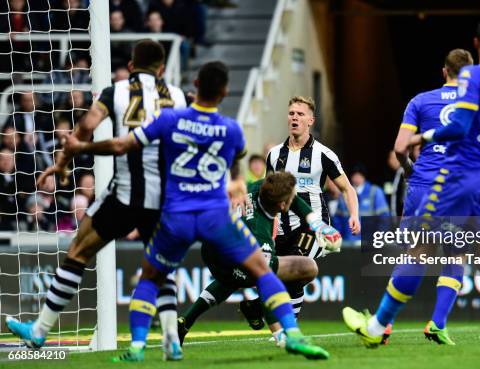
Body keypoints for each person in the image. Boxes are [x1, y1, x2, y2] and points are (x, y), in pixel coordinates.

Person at [59, 61, 330, 361]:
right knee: (264, 271)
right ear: (225, 92)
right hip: (214, 216)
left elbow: (123, 145)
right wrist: (238, 181)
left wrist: (79, 148)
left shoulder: (170, 118)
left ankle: (137, 347)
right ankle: (290, 334)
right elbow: (237, 163)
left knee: (150, 277)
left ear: (196, 85)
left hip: (178, 216)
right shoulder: (230, 129)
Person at [343, 18, 480, 354]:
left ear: (477, 43)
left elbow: (458, 125)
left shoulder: (472, 78)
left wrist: (423, 136)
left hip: (456, 177)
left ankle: (375, 327)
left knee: (419, 250)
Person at [5, 40, 187, 360]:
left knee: (78, 250)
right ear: (161, 68)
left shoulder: (115, 91)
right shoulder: (180, 96)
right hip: (163, 199)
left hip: (124, 194)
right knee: (159, 265)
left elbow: (85, 129)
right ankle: (171, 339)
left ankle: (39, 331)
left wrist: (60, 165)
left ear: (131, 65)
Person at [177, 172, 342, 345]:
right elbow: (264, 282)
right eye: (290, 198)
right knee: (307, 268)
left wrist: (318, 225)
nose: (294, 200)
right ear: (282, 204)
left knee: (230, 280)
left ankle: (184, 322)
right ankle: (258, 311)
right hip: (229, 256)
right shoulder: (260, 236)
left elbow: (296, 203)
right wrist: (279, 334)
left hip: (214, 249)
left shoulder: (263, 187)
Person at [264, 96, 359, 317]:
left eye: (300, 114)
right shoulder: (275, 155)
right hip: (282, 230)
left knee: (298, 265)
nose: (294, 118)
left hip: (314, 227)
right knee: (282, 275)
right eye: (291, 114)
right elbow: (268, 193)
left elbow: (347, 189)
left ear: (311, 121)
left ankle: (288, 326)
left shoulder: (324, 155)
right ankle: (281, 322)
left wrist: (354, 214)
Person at [334, 164, 389, 243]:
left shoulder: (375, 192)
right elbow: (337, 220)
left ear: (364, 176)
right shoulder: (344, 195)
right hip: (348, 244)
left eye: (359, 175)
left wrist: (380, 240)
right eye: (354, 175)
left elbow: (384, 219)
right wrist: (339, 240)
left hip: (370, 243)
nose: (356, 178)